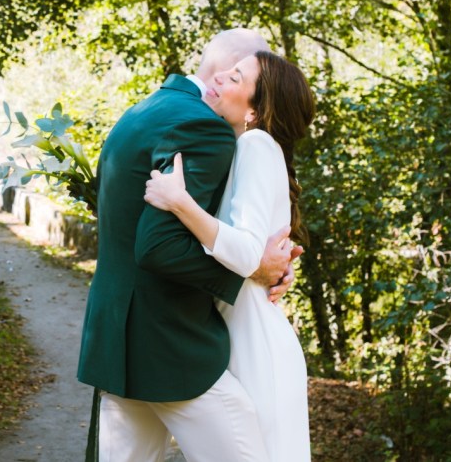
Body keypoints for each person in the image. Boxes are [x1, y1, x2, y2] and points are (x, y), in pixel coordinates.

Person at [77, 29, 301, 462]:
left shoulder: (146, 109)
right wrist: (253, 273)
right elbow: (157, 246)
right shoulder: (203, 126)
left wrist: (259, 255)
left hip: (119, 339)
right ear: (225, 70)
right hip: (170, 343)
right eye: (237, 72)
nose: (228, 81)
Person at [144, 50, 316, 460]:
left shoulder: (256, 145)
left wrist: (181, 202)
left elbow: (245, 253)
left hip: (257, 347)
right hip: (240, 336)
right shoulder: (247, 148)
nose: (219, 78)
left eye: (236, 78)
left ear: (255, 110)